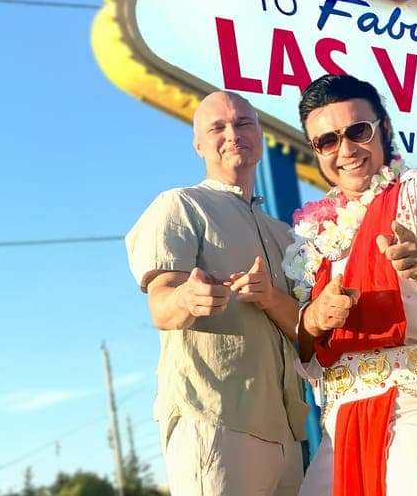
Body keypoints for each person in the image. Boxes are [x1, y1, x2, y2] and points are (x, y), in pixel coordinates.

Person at [286, 74, 417, 496]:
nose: (346, 150)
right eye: (327, 141)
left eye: (358, 131)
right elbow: (307, 351)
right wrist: (313, 320)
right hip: (343, 421)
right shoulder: (316, 231)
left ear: (384, 128)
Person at [125, 91, 308, 496]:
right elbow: (161, 305)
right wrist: (186, 299)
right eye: (217, 127)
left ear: (259, 134)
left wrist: (269, 296)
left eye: (243, 123)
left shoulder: (284, 234)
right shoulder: (180, 205)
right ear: (198, 145)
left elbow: (304, 329)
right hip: (215, 419)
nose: (233, 134)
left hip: (287, 432)